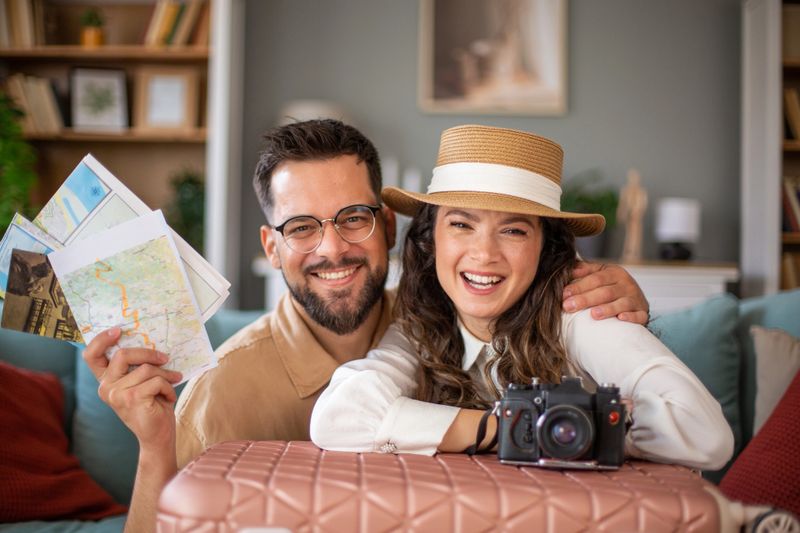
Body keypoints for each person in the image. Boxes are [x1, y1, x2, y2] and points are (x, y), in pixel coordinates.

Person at [82, 119, 651, 531]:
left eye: (353, 218)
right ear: (272, 247)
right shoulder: (220, 392)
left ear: (385, 225)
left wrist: (619, 307)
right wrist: (156, 450)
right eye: (302, 227)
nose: (333, 249)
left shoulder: (457, 314)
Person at [310, 124, 733, 470]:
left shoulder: (581, 313)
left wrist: (575, 430)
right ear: (429, 240)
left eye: (514, 230)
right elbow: (339, 415)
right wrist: (510, 428)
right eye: (461, 224)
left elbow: (707, 436)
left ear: (544, 248)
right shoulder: (424, 323)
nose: (484, 254)